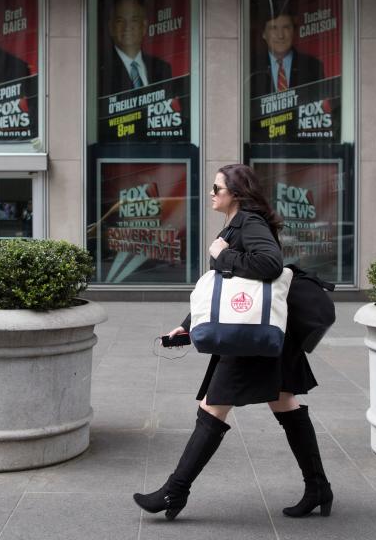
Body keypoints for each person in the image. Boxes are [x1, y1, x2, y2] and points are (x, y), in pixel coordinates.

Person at [133, 164, 332, 521]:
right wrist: (187, 326)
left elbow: (269, 265)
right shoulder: (237, 224)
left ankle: (174, 492)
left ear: (236, 194)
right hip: (260, 335)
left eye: (217, 187)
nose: (212, 192)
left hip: (251, 341)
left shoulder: (249, 223)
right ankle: (318, 487)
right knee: (284, 402)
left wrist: (222, 253)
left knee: (213, 406)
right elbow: (229, 290)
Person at [98, 0, 172, 96]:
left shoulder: (162, 68)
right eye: (120, 21)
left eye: (134, 20)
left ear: (144, 26)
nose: (127, 26)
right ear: (111, 27)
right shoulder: (100, 71)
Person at [250, 0, 323, 98]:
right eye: (273, 28)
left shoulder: (313, 66)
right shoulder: (252, 69)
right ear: (264, 34)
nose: (280, 35)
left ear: (293, 31)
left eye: (286, 27)